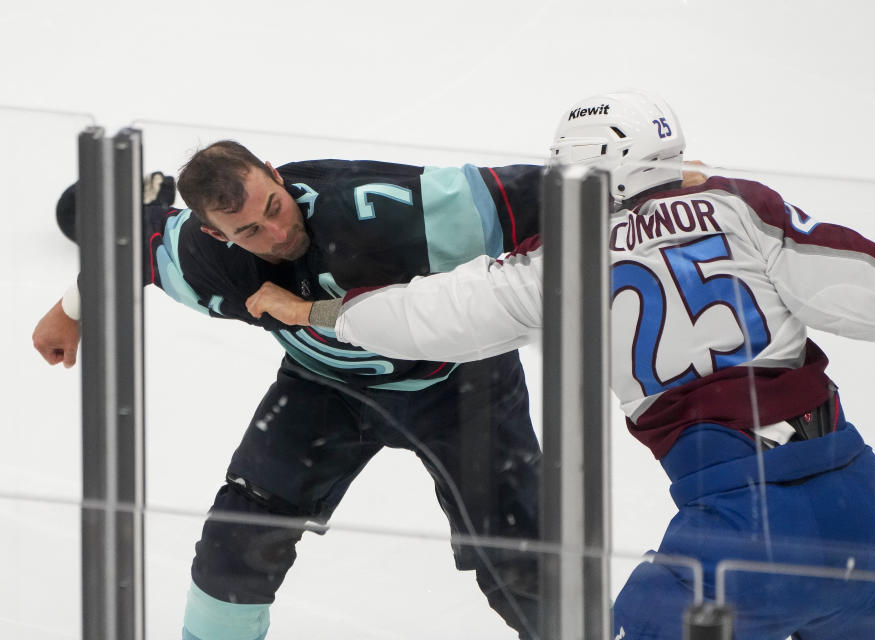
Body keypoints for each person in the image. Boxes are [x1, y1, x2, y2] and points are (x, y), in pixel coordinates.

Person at [296, 92, 875, 639]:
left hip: (738, 528)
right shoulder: (740, 205)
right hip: (862, 507)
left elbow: (428, 317)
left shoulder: (565, 254)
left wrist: (318, 313)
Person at [32, 142, 546, 640]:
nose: (278, 233)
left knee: (523, 561)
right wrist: (70, 309)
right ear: (215, 234)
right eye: (250, 230)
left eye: (275, 207)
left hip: (462, 384)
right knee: (235, 544)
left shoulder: (391, 210)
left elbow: (566, 196)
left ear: (277, 175)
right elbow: (136, 241)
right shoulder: (205, 258)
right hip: (326, 388)